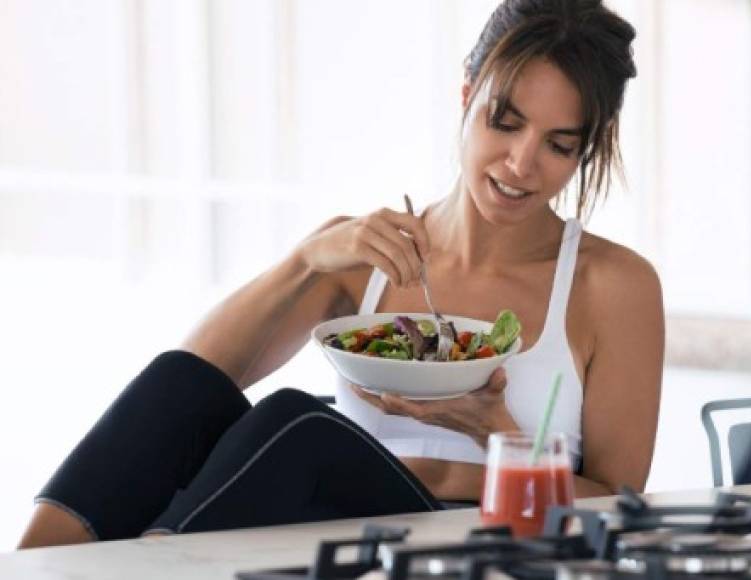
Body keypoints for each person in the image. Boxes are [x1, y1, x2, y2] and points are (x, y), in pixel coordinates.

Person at [18, 0, 664, 549]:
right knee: (181, 385)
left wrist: (488, 435)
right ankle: (34, 564)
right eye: (506, 121)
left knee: (298, 426)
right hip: (338, 535)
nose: (523, 164)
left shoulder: (612, 285)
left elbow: (617, 504)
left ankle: (153, 560)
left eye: (560, 144)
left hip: (490, 539)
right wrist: (307, 260)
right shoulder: (366, 250)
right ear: (467, 96)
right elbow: (190, 386)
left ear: (588, 147)